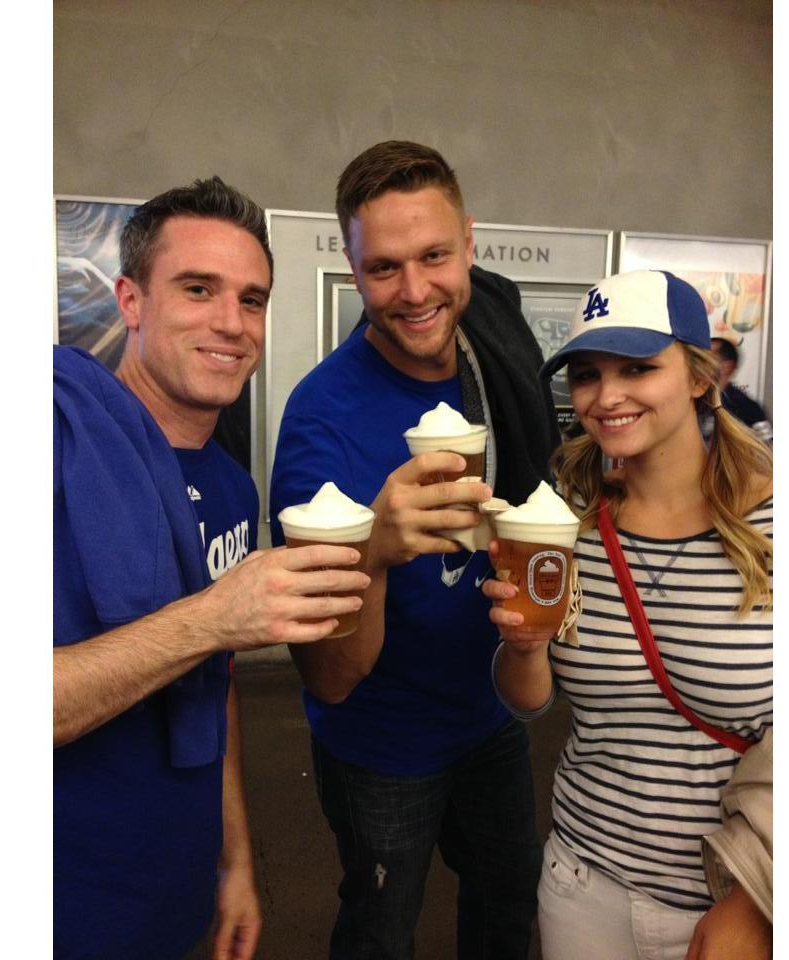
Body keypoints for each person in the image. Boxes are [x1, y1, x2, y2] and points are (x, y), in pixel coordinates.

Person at [53, 176, 371, 960]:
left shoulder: (231, 483)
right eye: (198, 289)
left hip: (171, 887)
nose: (232, 323)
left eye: (253, 299)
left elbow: (215, 682)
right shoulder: (52, 447)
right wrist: (214, 615)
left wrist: (234, 864)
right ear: (131, 301)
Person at [269, 141, 558, 959]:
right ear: (353, 272)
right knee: (379, 930)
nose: (416, 290)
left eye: (434, 255)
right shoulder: (320, 417)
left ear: (470, 242)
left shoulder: (491, 350)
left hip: (492, 713)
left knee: (508, 906)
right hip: (382, 741)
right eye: (384, 268)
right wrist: (376, 549)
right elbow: (326, 675)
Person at [485, 269, 773, 960]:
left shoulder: (781, 520)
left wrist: (757, 902)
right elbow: (530, 703)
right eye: (587, 374)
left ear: (699, 376)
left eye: (638, 368)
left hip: (735, 899)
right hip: (584, 884)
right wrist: (522, 648)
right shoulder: (567, 525)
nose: (607, 397)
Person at [707, 332, 772, 445]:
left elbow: (767, 451)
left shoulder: (749, 409)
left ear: (728, 367)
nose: (699, 364)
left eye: (708, 358)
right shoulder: (692, 401)